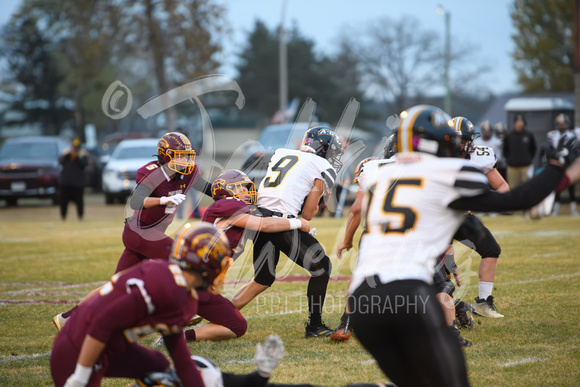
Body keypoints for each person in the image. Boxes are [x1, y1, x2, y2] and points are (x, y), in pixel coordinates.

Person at [347, 104, 579, 387]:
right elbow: (515, 200)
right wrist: (557, 169)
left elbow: (437, 222)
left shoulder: (379, 174)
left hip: (361, 301)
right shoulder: (450, 171)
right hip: (409, 295)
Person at [53, 132, 213, 330]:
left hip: (147, 235)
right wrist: (163, 200)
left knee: (116, 286)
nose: (185, 159)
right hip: (140, 231)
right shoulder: (152, 172)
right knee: (184, 261)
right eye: (179, 155)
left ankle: (67, 318)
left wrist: (232, 194)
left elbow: (210, 189)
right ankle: (183, 309)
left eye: (187, 155)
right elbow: (137, 201)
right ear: (165, 155)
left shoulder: (189, 172)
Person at [50, 222, 233, 387]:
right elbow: (101, 324)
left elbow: (183, 362)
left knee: (158, 365)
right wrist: (79, 378)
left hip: (111, 345)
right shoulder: (163, 286)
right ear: (206, 265)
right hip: (78, 346)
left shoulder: (185, 298)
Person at [231, 126, 344, 338]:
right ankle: (315, 326)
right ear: (325, 148)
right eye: (334, 151)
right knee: (322, 266)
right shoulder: (323, 164)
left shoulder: (281, 153)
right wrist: (319, 202)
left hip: (258, 217)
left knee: (263, 278)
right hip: (281, 222)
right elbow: (308, 213)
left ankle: (223, 313)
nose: (335, 156)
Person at [184, 169, 311, 342]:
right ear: (227, 190)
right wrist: (297, 223)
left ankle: (179, 326)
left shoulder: (232, 211)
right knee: (237, 326)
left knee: (231, 319)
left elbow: (266, 226)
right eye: (242, 188)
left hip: (196, 280)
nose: (247, 191)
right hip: (192, 281)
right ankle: (178, 336)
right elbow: (264, 225)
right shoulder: (228, 204)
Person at [452, 116, 508, 318]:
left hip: (461, 216)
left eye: (461, 140)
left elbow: (503, 187)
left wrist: (485, 202)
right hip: (436, 218)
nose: (457, 145)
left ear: (470, 141)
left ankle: (483, 303)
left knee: (491, 249)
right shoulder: (437, 156)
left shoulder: (478, 156)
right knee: (437, 265)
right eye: (454, 140)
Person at [546, 114, 578, 216]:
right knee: (557, 186)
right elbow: (549, 149)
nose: (562, 125)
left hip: (569, 162)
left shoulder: (572, 134)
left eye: (563, 123)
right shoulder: (552, 134)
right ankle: (556, 209)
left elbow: (575, 149)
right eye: (560, 123)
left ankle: (573, 209)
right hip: (558, 163)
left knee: (571, 187)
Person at [59, 138, 89, 221]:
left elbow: (84, 164)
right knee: (63, 201)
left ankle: (80, 216)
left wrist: (78, 156)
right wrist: (67, 154)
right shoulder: (67, 153)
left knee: (79, 201)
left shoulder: (82, 154)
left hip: (78, 183)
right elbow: (61, 161)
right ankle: (63, 216)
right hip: (66, 182)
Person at [503, 114, 537, 188]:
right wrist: (509, 159)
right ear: (514, 123)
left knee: (528, 187)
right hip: (512, 166)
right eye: (517, 121)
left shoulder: (529, 135)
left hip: (526, 166)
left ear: (524, 123)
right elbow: (505, 149)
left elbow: (533, 148)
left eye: (521, 121)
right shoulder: (509, 135)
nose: (519, 123)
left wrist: (528, 159)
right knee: (512, 187)